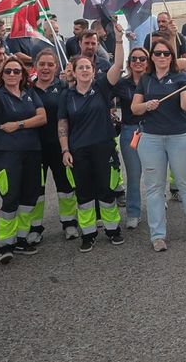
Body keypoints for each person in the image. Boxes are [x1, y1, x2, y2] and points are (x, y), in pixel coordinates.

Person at [130, 36, 186, 250]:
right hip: (151, 139)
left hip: (180, 137)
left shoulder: (180, 78)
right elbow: (134, 108)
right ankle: (158, 236)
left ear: (172, 57)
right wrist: (146, 105)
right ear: (151, 57)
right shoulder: (146, 80)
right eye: (157, 53)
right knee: (154, 188)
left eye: (166, 53)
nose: (161, 57)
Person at [0, 50, 46, 263]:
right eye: (8, 71)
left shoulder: (29, 92)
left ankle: (21, 238)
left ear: (22, 74)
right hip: (7, 155)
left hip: (32, 153)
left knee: (30, 197)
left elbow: (42, 118)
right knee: (10, 198)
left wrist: (18, 125)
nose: (12, 74)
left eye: (16, 71)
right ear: (2, 75)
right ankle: (5, 244)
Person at [58, 48, 126, 251]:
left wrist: (120, 40)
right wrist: (65, 150)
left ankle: (113, 230)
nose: (85, 70)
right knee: (84, 194)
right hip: (79, 151)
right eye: (81, 67)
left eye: (88, 67)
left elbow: (118, 66)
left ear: (94, 71)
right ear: (75, 72)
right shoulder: (66, 95)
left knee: (106, 191)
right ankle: (88, 233)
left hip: (104, 148)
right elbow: (62, 124)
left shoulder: (102, 87)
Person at [25, 48, 77, 243]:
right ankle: (35, 227)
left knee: (65, 186)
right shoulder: (27, 89)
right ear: (36, 66)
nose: (46, 68)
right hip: (34, 149)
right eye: (42, 64)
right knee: (36, 190)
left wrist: (71, 80)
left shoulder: (64, 87)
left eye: (50, 64)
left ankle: (69, 223)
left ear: (56, 67)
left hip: (60, 147)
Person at [114, 44, 150, 230]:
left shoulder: (153, 81)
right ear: (129, 63)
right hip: (130, 131)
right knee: (134, 175)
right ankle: (133, 212)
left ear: (147, 62)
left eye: (142, 59)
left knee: (155, 173)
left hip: (153, 131)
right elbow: (106, 98)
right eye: (134, 59)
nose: (138, 62)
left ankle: (156, 207)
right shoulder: (122, 83)